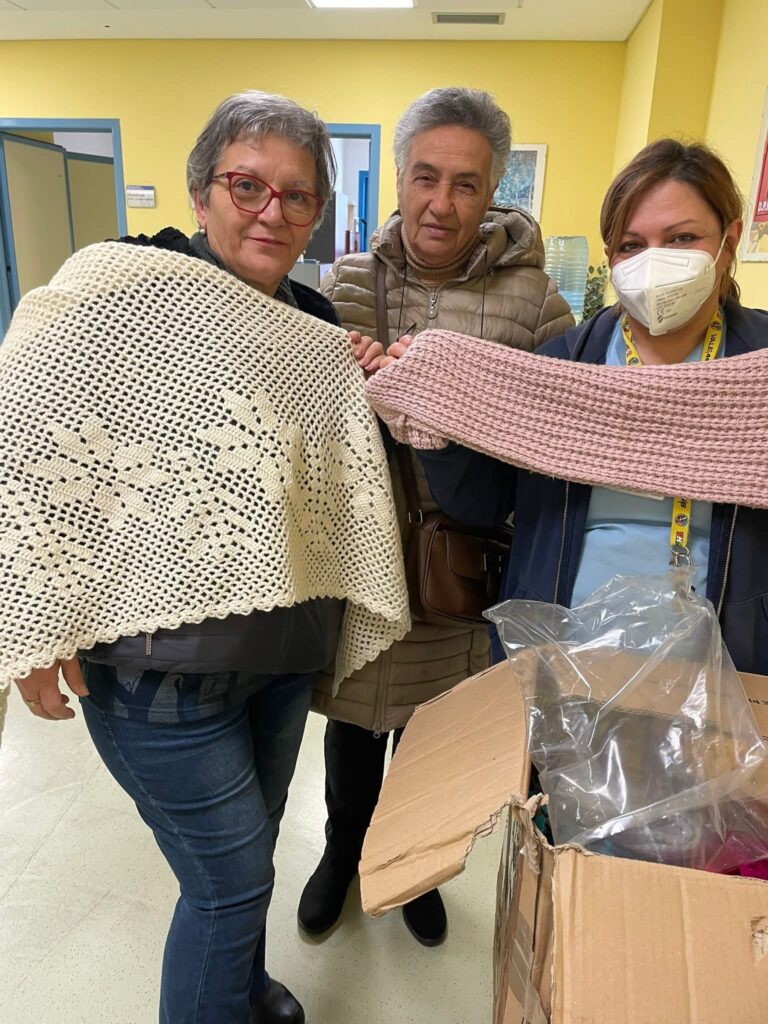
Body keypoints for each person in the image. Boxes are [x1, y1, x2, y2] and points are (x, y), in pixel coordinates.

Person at [11, 91, 397, 1024]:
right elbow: (21, 428)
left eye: (297, 196)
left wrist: (376, 380)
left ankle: (243, 992)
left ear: (317, 214)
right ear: (200, 192)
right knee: (229, 886)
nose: (272, 211)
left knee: (251, 851)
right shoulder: (123, 289)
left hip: (280, 656)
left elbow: (324, 485)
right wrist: (33, 619)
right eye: (247, 185)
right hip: (157, 674)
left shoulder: (312, 324)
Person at [299, 86, 573, 946]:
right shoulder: (348, 283)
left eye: (466, 184)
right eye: (426, 177)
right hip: (358, 560)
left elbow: (557, 433)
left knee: (434, 732)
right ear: (399, 179)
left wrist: (460, 405)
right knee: (353, 725)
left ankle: (413, 865)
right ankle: (343, 853)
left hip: (462, 567)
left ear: (493, 191)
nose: (442, 203)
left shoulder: (535, 302)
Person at [385, 139, 768, 675]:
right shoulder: (561, 366)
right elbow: (483, 505)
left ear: (728, 241)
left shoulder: (757, 370)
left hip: (725, 668)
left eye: (682, 238)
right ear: (611, 257)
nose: (654, 260)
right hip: (561, 664)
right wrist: (436, 424)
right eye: (632, 245)